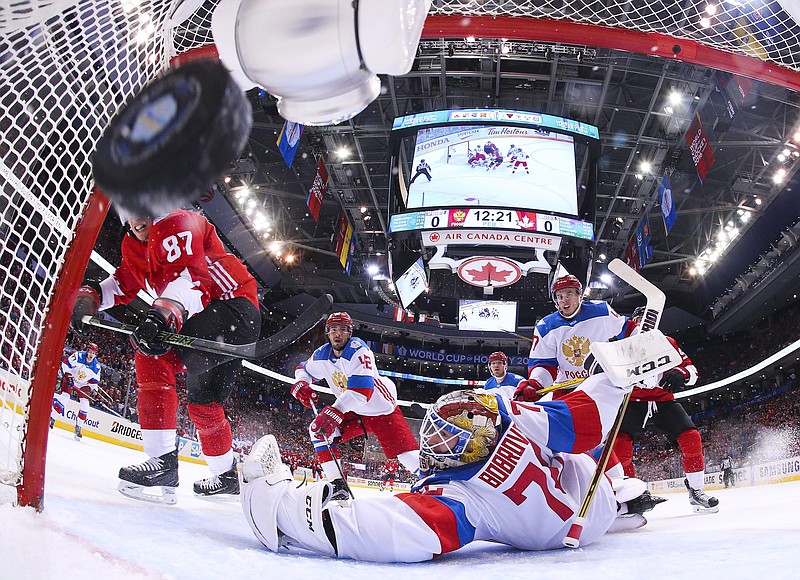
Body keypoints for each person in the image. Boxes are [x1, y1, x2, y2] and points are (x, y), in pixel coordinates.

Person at [239, 369, 665, 562]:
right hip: (589, 500)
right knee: (573, 444)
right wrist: (619, 373)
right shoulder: (512, 416)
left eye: (447, 437)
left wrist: (276, 501)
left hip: (557, 532)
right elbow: (585, 419)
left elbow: (383, 529)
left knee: (568, 443)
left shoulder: (463, 496)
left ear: (476, 439)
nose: (434, 445)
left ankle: (621, 499)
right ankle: (623, 495)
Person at [69, 209, 261, 503]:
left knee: (152, 353)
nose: (136, 216)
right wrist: (89, 298)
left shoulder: (176, 221)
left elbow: (193, 281)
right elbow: (121, 284)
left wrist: (161, 315)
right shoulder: (133, 246)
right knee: (203, 404)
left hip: (231, 309)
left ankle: (162, 462)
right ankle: (226, 476)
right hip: (214, 323)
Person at [290, 311, 420, 501]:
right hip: (353, 410)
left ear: (350, 332)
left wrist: (335, 410)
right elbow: (303, 369)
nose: (337, 334)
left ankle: (436, 482)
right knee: (318, 431)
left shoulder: (359, 350)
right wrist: (302, 383)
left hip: (381, 409)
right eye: (333, 330)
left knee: (407, 456)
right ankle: (337, 485)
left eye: (342, 329)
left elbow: (362, 392)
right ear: (327, 333)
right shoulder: (322, 354)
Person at [612, 306, 719, 513]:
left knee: (692, 437)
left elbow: (692, 370)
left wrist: (681, 373)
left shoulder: (667, 343)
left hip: (662, 399)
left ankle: (696, 491)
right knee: (620, 446)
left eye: (650, 319)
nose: (647, 323)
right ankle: (631, 498)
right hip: (632, 401)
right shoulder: (622, 346)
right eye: (641, 320)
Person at [516, 273, 636, 403]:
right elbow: (544, 364)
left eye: (569, 294)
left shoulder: (601, 311)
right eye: (559, 296)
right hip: (566, 388)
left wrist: (646, 340)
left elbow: (628, 330)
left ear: (580, 295)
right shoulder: (545, 327)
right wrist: (535, 384)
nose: (564, 300)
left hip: (601, 384)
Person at [51, 342, 102, 440]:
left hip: (83, 384)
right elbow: (65, 363)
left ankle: (78, 428)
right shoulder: (78, 356)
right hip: (72, 378)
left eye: (93, 353)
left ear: (95, 355)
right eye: (90, 352)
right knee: (65, 398)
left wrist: (94, 389)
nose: (91, 354)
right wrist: (69, 376)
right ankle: (51, 419)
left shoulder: (96, 367)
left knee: (85, 404)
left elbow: (93, 381)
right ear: (87, 351)